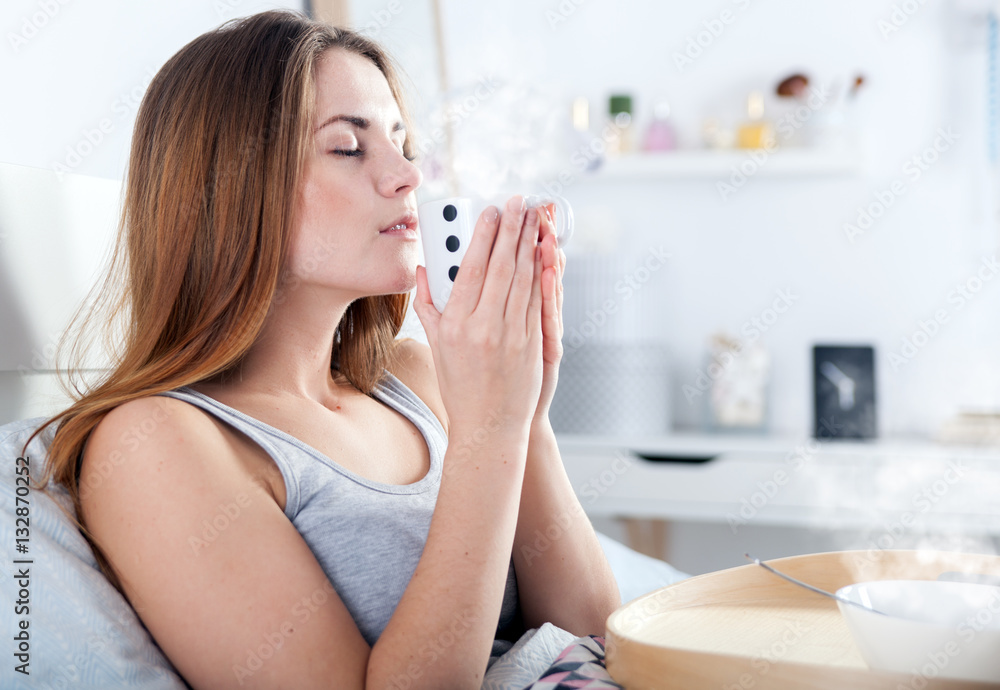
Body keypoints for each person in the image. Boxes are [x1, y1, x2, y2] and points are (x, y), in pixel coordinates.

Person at [27, 9, 620, 689]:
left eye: (401, 142)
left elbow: (600, 638)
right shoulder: (156, 443)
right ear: (231, 187)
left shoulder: (415, 377)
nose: (407, 176)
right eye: (348, 147)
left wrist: (527, 413)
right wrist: (488, 432)